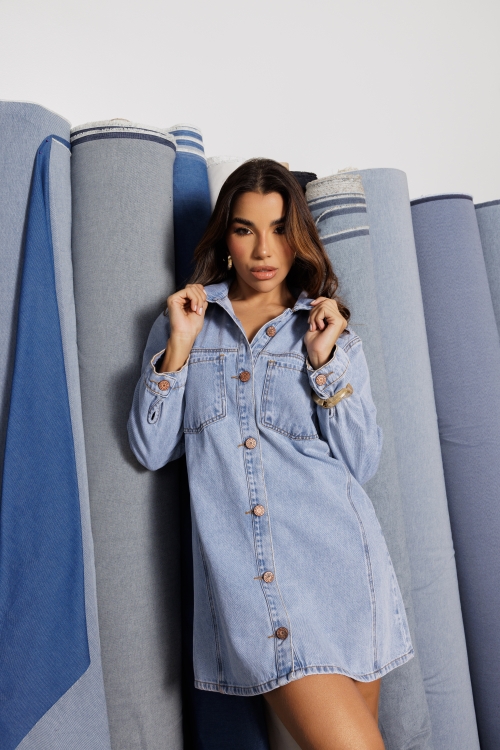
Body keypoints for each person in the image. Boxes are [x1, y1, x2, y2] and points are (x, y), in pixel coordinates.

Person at [128, 159, 413, 750]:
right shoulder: (187, 322)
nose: (263, 249)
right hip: (260, 584)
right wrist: (179, 347)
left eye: (280, 229)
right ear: (225, 238)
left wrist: (324, 361)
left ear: (298, 235)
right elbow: (151, 448)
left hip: (345, 570)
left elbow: (361, 462)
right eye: (245, 229)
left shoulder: (325, 329)